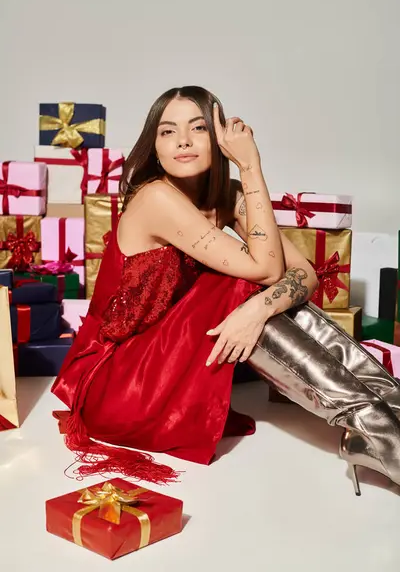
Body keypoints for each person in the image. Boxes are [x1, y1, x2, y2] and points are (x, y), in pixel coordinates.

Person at [52, 86, 400, 495]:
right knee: (238, 282)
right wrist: (251, 166)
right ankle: (379, 433)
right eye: (167, 131)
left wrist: (254, 312)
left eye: (197, 127)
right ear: (154, 147)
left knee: (249, 291)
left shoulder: (227, 195)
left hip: (169, 364)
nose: (182, 140)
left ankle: (387, 414)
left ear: (219, 140)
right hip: (120, 382)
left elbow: (305, 272)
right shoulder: (155, 198)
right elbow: (268, 270)